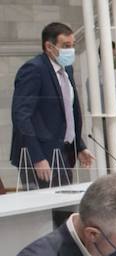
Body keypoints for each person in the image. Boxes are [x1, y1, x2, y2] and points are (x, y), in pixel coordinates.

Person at [9, 22, 94, 189]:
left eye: (73, 45)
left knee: (65, 202)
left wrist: (79, 145)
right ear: (49, 46)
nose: (71, 50)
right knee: (46, 205)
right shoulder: (33, 69)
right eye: (66, 46)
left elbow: (67, 112)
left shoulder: (67, 69)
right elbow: (21, 116)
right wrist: (37, 157)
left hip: (64, 152)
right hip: (40, 156)